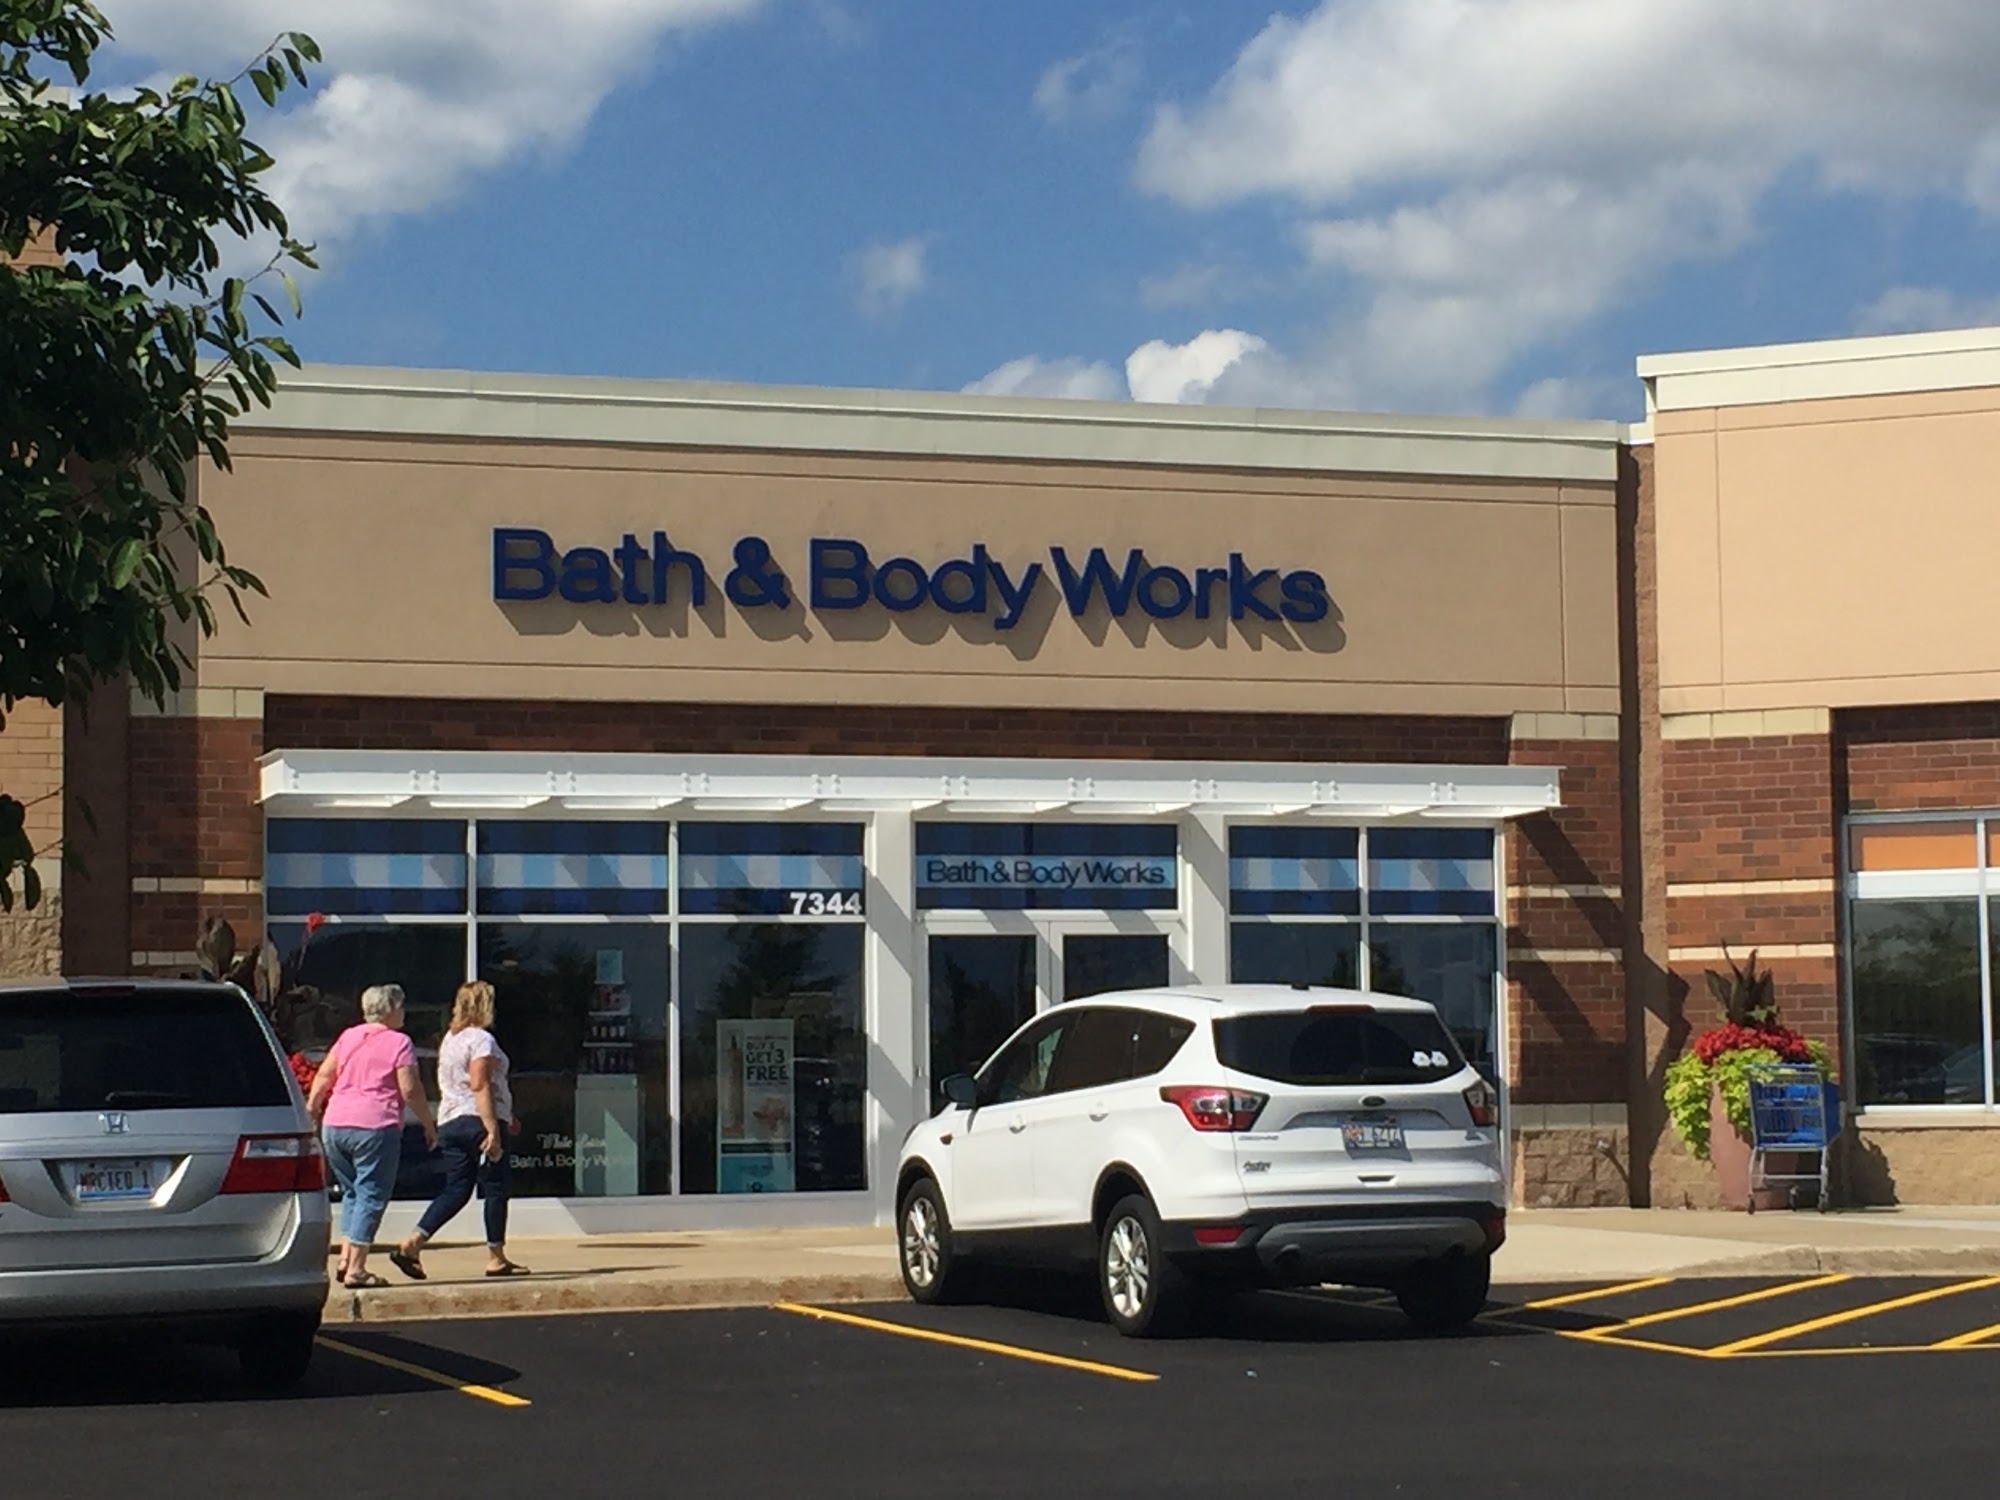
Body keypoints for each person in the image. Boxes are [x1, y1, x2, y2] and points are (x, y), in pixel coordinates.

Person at [390, 980, 528, 1280]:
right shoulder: (481, 1039)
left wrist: (508, 1115)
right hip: (477, 1119)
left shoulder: (451, 1039)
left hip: (450, 1120)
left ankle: (413, 1242)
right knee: (496, 1187)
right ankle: (496, 1257)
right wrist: (492, 1128)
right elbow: (479, 1083)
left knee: (457, 1188)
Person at [307, 983, 436, 1289]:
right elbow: (410, 1089)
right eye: (400, 1006)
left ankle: (345, 1257)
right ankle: (357, 1268)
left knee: (352, 1193)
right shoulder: (399, 1042)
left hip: (336, 1123)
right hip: (375, 1125)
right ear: (390, 1010)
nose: (403, 1012)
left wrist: (312, 1109)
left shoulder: (349, 1036)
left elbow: (325, 1075)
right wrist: (428, 1122)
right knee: (371, 1196)